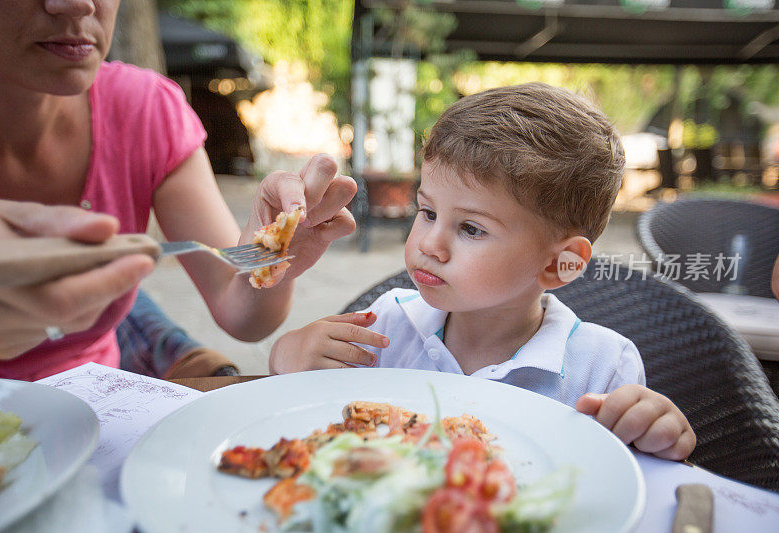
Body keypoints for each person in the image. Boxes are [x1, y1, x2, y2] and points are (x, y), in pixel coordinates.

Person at [269, 83, 696, 461]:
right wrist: (288, 355)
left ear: (558, 263)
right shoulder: (386, 326)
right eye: (428, 211)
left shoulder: (603, 367)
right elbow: (310, 416)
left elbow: (626, 478)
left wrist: (655, 434)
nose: (429, 243)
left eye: (471, 228)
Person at [0, 0, 356, 381]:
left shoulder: (141, 108)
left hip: (96, 407)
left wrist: (271, 253)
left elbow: (241, 314)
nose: (80, 4)